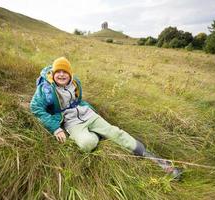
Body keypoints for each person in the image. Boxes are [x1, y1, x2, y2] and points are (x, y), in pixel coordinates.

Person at [30, 57, 182, 179]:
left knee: (116, 133)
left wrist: (91, 109)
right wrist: (56, 128)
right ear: (53, 73)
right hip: (71, 121)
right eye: (58, 72)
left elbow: (78, 101)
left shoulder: (75, 83)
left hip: (87, 115)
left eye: (65, 72)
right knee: (86, 144)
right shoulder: (46, 88)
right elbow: (35, 107)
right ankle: (98, 134)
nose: (62, 75)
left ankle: (159, 162)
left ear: (70, 74)